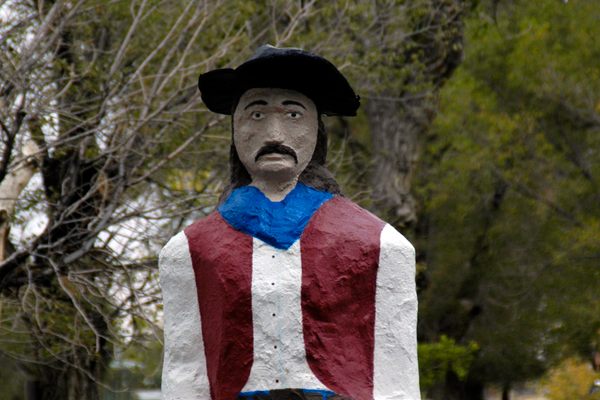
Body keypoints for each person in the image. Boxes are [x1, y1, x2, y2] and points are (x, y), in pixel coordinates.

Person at [159, 45, 420, 400]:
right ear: (235, 130)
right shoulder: (188, 252)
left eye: (293, 115)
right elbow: (184, 372)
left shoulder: (379, 245)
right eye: (256, 115)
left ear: (317, 130)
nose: (274, 135)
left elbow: (397, 377)